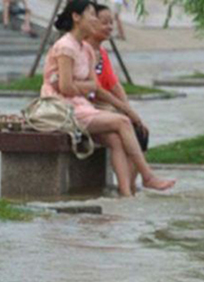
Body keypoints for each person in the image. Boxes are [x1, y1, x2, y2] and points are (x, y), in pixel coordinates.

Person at [41, 0, 175, 197]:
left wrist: (124, 106)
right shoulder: (65, 47)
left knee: (115, 139)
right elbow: (65, 88)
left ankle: (126, 193)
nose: (95, 20)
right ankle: (147, 176)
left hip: (81, 105)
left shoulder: (86, 49)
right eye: (92, 15)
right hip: (63, 108)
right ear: (76, 17)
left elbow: (95, 87)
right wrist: (86, 87)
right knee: (122, 122)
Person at [86, 3, 150, 193]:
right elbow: (95, 90)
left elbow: (114, 85)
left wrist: (130, 110)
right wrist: (126, 111)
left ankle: (129, 186)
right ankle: (129, 188)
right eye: (104, 22)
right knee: (121, 133)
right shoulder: (84, 52)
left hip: (106, 107)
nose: (109, 27)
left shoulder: (103, 54)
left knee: (140, 132)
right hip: (89, 108)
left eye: (111, 23)